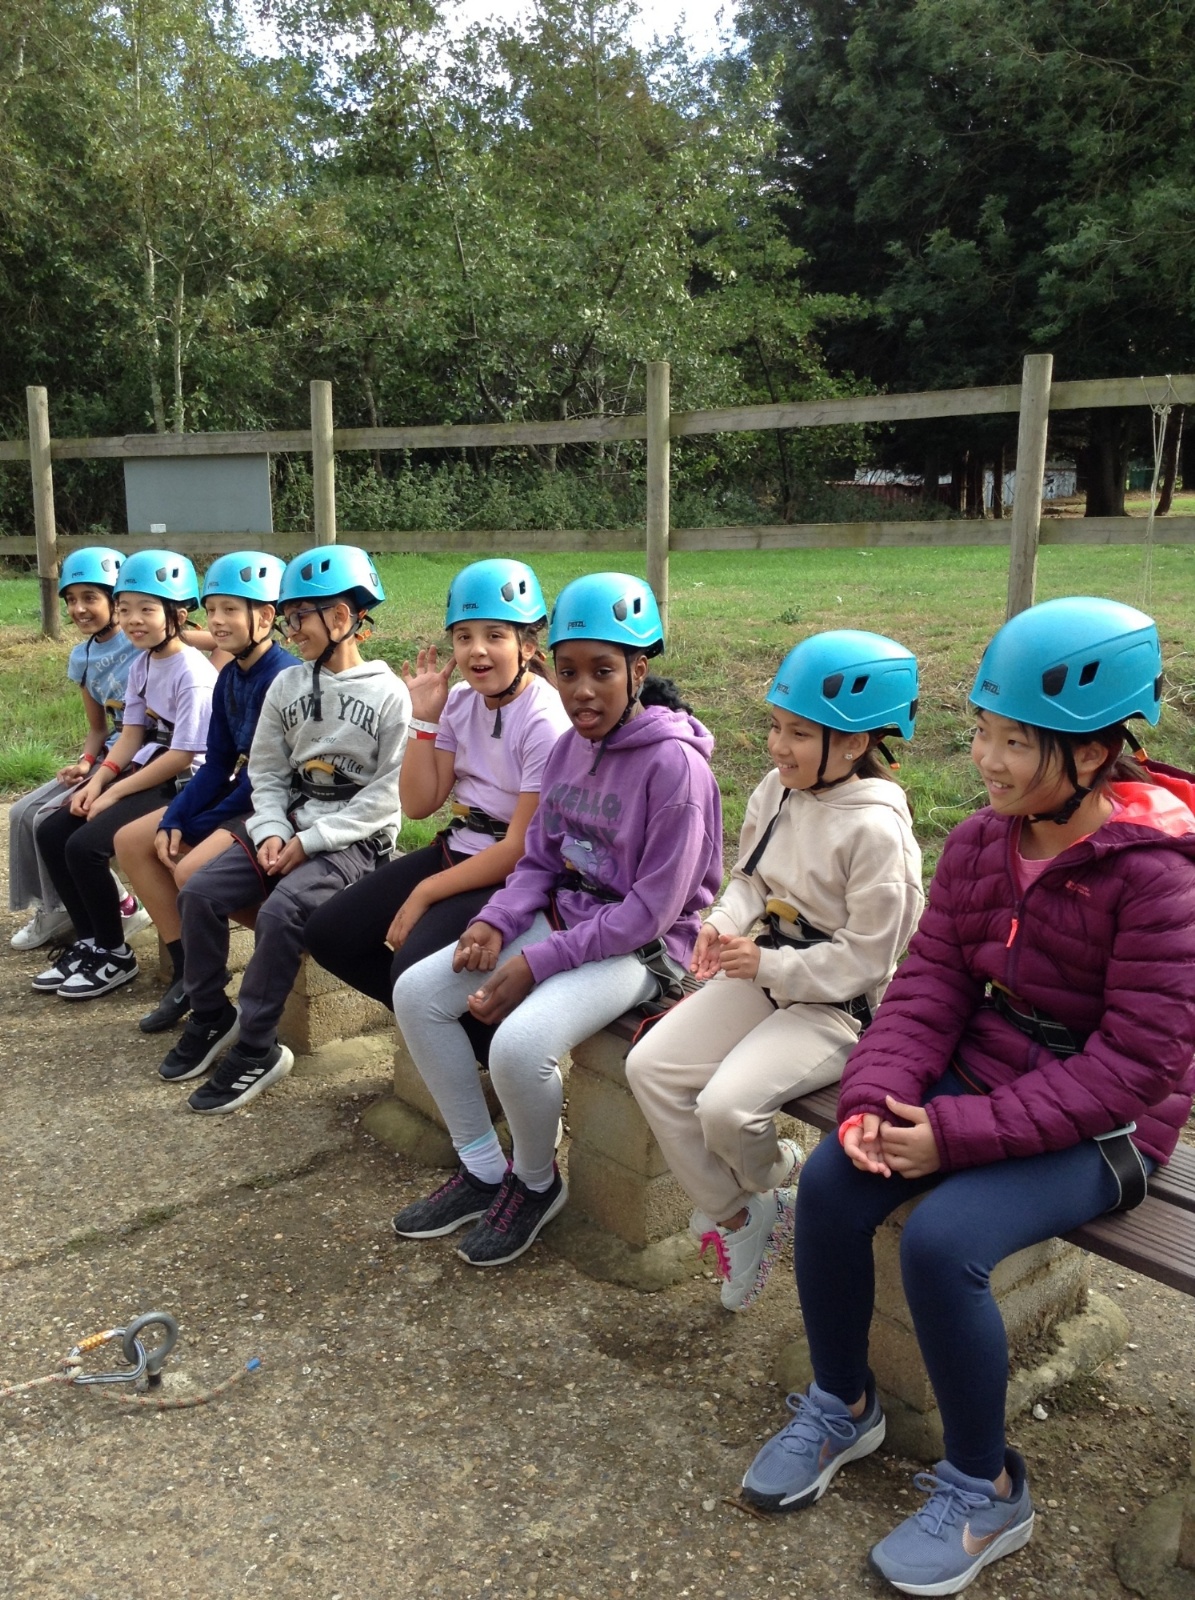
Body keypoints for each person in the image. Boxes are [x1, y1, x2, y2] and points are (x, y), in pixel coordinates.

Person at [740, 597, 1195, 1597]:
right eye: (982, 730)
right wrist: (875, 1096)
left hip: (1113, 1123)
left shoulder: (1159, 877)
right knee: (832, 1180)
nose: (984, 759)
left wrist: (950, 1134)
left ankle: (985, 1488)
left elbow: (1137, 1064)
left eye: (1013, 742)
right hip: (995, 1068)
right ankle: (840, 1403)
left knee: (945, 1242)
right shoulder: (989, 841)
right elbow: (931, 983)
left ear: (1092, 753)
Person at [390, 572, 723, 1267]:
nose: (582, 691)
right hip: (569, 915)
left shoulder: (676, 770)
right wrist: (497, 920)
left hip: (643, 950)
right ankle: (483, 1169)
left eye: (603, 671)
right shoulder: (572, 746)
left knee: (518, 1046)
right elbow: (539, 859)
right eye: (568, 672)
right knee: (418, 994)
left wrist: (535, 961)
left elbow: (648, 913)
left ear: (638, 670)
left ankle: (534, 1183)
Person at [627, 631, 923, 1311]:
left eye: (798, 733)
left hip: (836, 1009)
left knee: (726, 1110)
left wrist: (766, 961)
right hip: (766, 973)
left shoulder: (879, 833)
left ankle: (777, 1174)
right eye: (775, 725)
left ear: (853, 743)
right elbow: (750, 882)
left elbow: (867, 961)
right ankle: (743, 1213)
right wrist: (721, 923)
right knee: (650, 1067)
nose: (776, 746)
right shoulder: (780, 789)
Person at [161, 544, 410, 1113]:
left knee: (281, 912)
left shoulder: (388, 693)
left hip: (354, 841)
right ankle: (210, 1013)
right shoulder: (287, 686)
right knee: (198, 891)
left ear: (341, 617)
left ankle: (256, 1048)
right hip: (290, 821)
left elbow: (386, 796)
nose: (291, 630)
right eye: (289, 617)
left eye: (300, 617)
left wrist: (310, 842)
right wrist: (272, 828)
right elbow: (268, 773)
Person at [305, 557, 571, 1012]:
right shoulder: (461, 701)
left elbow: (519, 848)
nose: (477, 650)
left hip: (514, 871)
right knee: (328, 934)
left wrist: (426, 891)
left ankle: (463, 1030)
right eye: (463, 637)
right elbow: (419, 803)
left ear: (527, 646)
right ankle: (446, 1025)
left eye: (494, 636)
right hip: (458, 849)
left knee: (411, 963)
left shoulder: (543, 720)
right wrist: (423, 721)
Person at [113, 552, 293, 1033]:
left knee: (186, 861)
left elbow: (262, 780)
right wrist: (176, 817)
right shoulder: (230, 674)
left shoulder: (282, 676)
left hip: (276, 803)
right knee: (133, 840)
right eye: (211, 609)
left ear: (265, 617)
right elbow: (216, 764)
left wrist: (196, 824)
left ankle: (283, 942)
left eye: (230, 609)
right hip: (244, 790)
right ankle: (186, 971)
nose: (216, 621)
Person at [32, 550, 217, 1000]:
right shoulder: (142, 664)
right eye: (125, 608)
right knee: (52, 830)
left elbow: (182, 756)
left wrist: (113, 795)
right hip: (145, 770)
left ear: (177, 615)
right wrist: (96, 782)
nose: (133, 620)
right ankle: (91, 941)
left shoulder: (192, 672)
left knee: (85, 846)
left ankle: (115, 954)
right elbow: (130, 735)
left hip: (182, 783)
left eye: (146, 610)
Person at [8, 547, 148, 952]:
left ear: (116, 599)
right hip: (109, 755)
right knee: (20, 813)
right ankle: (54, 906)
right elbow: (97, 728)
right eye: (71, 599)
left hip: (141, 757)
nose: (79, 609)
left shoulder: (143, 638)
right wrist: (85, 762)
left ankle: (120, 906)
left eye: (90, 597)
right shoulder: (82, 656)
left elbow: (209, 641)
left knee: (51, 819)